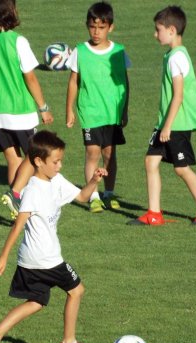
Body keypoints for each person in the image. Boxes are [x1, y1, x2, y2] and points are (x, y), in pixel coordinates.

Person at [0, 131, 107, 343]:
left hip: (30, 260)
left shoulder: (55, 180)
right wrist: (3, 256)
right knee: (77, 291)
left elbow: (81, 197)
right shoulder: (33, 190)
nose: (59, 165)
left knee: (36, 302)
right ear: (38, 161)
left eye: (60, 160)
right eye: (55, 161)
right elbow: (19, 224)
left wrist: (93, 181)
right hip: (46, 259)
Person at [130, 6, 196, 225]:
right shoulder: (172, 54)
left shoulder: (176, 58)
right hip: (166, 122)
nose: (154, 34)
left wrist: (167, 127)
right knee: (151, 162)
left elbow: (178, 96)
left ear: (171, 30)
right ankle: (154, 213)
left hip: (176, 123)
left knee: (181, 168)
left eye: (157, 29)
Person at [0, 0, 54, 219]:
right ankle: (16, 195)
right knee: (35, 157)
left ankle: (16, 207)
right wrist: (44, 107)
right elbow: (30, 76)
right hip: (18, 110)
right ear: (11, 11)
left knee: (13, 159)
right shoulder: (18, 41)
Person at [66, 1, 129, 213]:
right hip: (90, 112)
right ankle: (93, 195)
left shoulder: (119, 52)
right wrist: (70, 110)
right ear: (87, 25)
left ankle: (109, 194)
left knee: (110, 154)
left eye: (101, 27)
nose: (96, 32)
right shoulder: (80, 51)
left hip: (112, 114)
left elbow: (125, 82)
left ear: (110, 27)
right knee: (92, 152)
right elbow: (74, 81)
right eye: (92, 26)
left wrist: (125, 110)